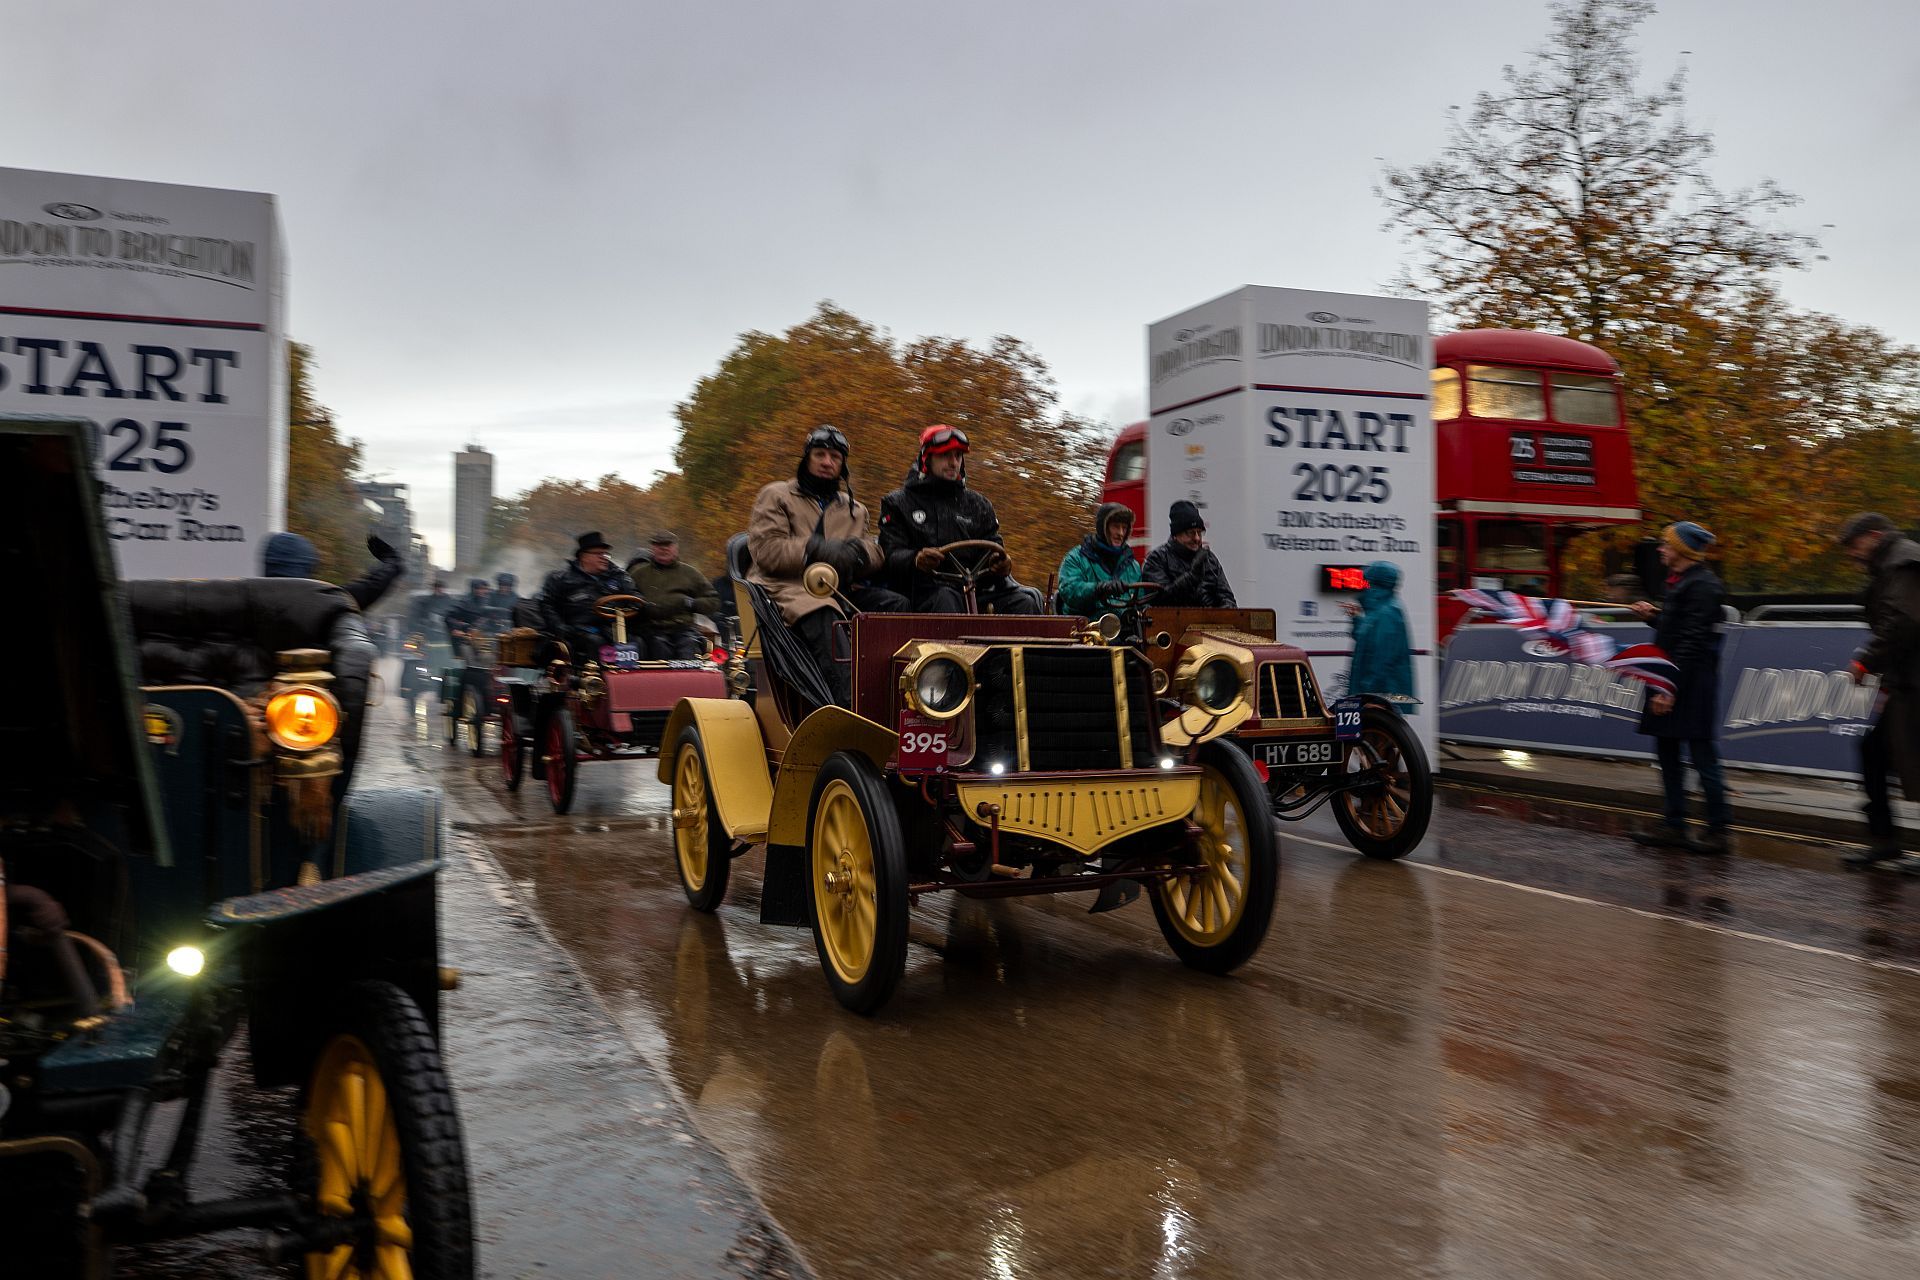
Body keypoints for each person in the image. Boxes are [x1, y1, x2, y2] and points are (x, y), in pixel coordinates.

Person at [747, 425, 907, 704]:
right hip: (784, 588)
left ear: (842, 465)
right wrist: (816, 548)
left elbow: (874, 551)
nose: (827, 462)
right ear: (806, 458)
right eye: (819, 454)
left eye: (834, 457)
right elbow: (766, 551)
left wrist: (858, 553)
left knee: (896, 606)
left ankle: (901, 696)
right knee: (824, 612)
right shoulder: (776, 495)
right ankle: (848, 705)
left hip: (840, 587)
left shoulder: (854, 509)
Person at [1629, 521, 1730, 855]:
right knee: (1668, 755)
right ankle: (1675, 823)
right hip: (1674, 677)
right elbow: (1677, 629)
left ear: (1682, 550)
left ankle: (1718, 830)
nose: (1660, 549)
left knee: (1703, 757)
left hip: (1689, 683)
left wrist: (1668, 690)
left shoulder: (1703, 586)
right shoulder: (1682, 582)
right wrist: (1652, 617)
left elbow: (1692, 642)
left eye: (1666, 544)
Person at [878, 424, 1041, 614]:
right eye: (945, 455)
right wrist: (915, 559)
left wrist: (1000, 564)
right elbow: (889, 554)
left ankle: (1022, 645)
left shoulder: (979, 505)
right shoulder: (898, 503)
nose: (953, 462)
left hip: (975, 593)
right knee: (946, 599)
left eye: (958, 456)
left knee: (1026, 601)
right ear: (926, 459)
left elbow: (993, 548)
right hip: (923, 594)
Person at [1838, 512, 1920, 870]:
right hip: (1908, 681)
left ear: (1874, 536)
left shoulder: (1902, 563)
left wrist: (1865, 662)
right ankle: (1884, 840)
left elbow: (1903, 622)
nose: (1853, 555)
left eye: (1855, 546)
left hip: (1917, 683)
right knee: (1872, 751)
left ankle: (1885, 840)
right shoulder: (1894, 562)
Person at [538, 532, 639, 662]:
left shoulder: (619, 576)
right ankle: (594, 679)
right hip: (578, 630)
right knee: (595, 642)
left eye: (606, 554)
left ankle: (632, 677)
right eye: (599, 554)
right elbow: (546, 605)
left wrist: (636, 605)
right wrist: (560, 627)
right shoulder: (561, 579)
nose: (604, 558)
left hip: (614, 628)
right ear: (584, 557)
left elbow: (634, 595)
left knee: (637, 642)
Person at [626, 530, 720, 660]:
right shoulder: (638, 574)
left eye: (668, 545)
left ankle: (690, 679)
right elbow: (624, 599)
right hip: (651, 629)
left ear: (676, 548)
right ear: (653, 548)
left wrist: (691, 603)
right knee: (659, 646)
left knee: (689, 646)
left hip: (683, 629)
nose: (663, 548)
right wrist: (640, 607)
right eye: (659, 545)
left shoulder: (690, 573)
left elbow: (713, 601)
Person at [262, 531, 406, 611]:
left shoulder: (244, 598)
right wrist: (393, 562)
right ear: (308, 566)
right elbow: (371, 587)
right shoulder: (321, 602)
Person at [1141, 500, 1236, 608]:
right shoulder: (1157, 559)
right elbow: (1161, 600)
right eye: (1190, 533)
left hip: (1210, 623)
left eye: (1199, 532)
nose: (1196, 538)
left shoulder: (1210, 559)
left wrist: (1227, 609)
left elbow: (1226, 595)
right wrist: (1191, 578)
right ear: (1176, 535)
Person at [1343, 561, 1414, 699]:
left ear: (1376, 585)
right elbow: (1365, 642)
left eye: (1365, 582)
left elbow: (1382, 659)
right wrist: (1357, 617)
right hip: (1377, 693)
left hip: (1381, 694)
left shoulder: (1387, 613)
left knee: (1377, 721)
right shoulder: (1379, 611)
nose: (1361, 587)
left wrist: (1370, 693)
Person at [1055, 502, 1142, 616]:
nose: (1120, 533)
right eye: (1116, 526)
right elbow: (1069, 590)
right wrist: (1099, 589)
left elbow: (1142, 600)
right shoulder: (1076, 558)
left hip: (1125, 627)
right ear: (1103, 528)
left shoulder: (1133, 566)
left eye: (1124, 528)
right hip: (1088, 627)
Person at [442, 578, 494, 658]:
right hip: (470, 639)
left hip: (489, 638)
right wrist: (457, 628)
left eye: (484, 589)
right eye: (479, 588)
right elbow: (449, 617)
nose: (481, 591)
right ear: (473, 589)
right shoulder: (464, 603)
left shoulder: (491, 601)